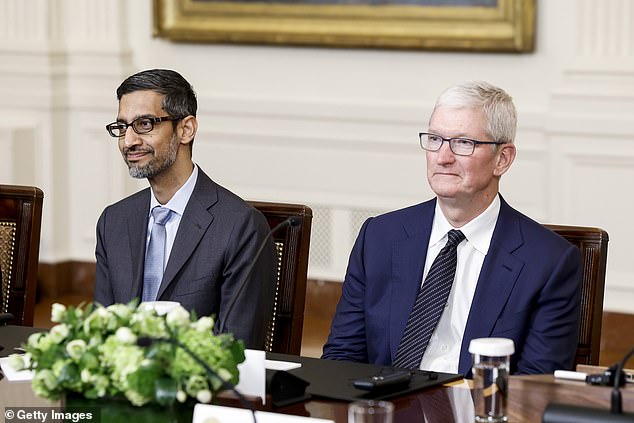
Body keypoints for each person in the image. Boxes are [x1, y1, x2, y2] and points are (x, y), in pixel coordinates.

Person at [322, 81, 582, 376]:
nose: (443, 157)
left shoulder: (549, 262)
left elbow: (535, 387)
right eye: (435, 139)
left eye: (463, 143)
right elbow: (342, 359)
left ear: (503, 159)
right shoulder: (379, 237)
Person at [94, 69, 276, 349]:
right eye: (122, 127)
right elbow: (101, 332)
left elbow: (237, 346)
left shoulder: (240, 227)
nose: (128, 141)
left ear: (186, 130)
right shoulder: (114, 221)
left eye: (144, 125)